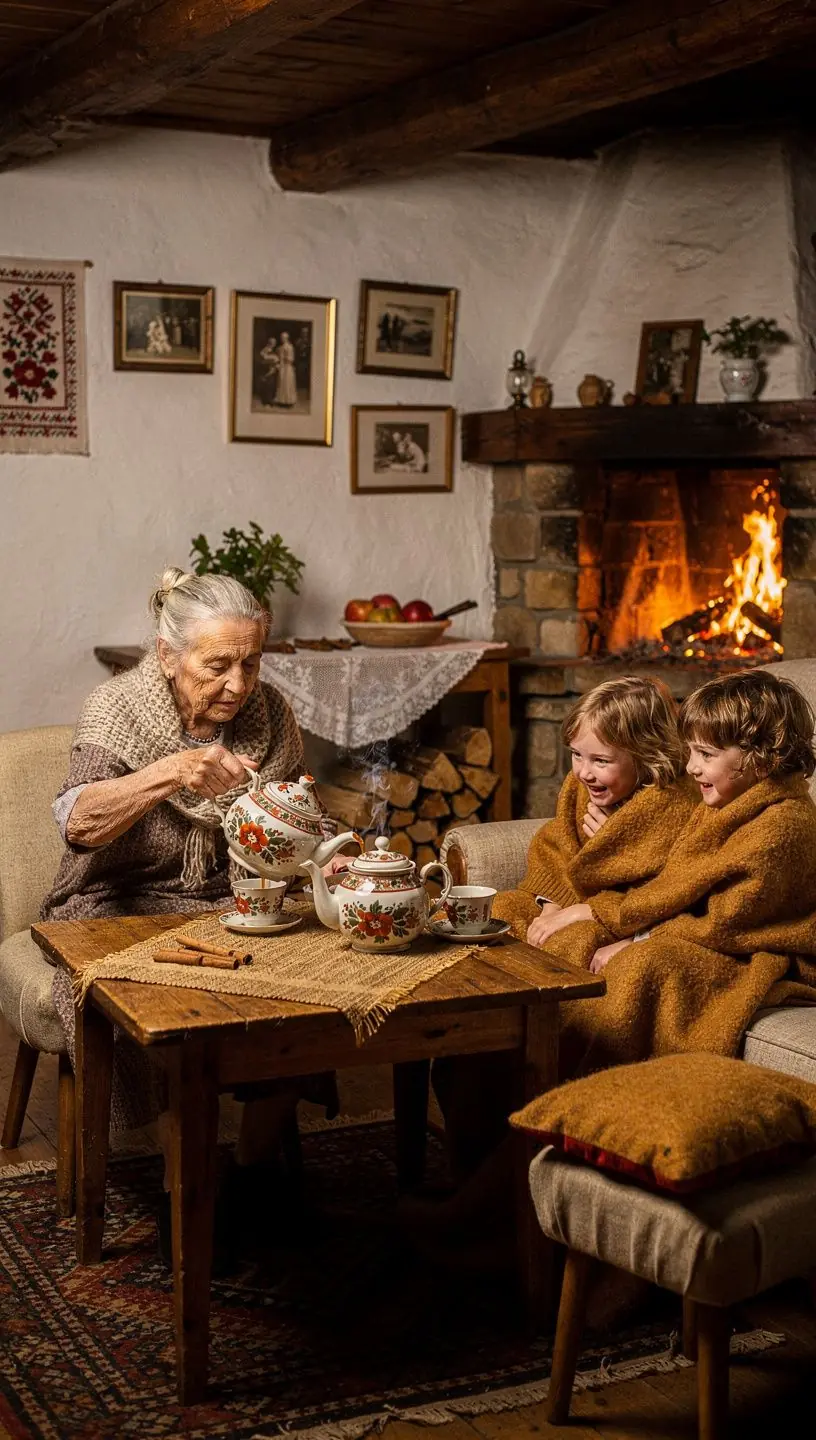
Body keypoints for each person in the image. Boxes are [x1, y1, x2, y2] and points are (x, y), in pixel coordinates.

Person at [44, 569, 348, 1259]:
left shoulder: (269, 714)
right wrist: (171, 771)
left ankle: (251, 1168)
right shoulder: (117, 708)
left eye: (251, 662)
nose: (238, 685)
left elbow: (298, 814)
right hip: (113, 903)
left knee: (313, 987)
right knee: (144, 1012)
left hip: (233, 898)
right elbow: (77, 822)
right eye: (218, 666)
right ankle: (180, 1178)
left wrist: (328, 854)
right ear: (166, 655)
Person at [438, 677, 696, 1185]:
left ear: (646, 754)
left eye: (602, 760)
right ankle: (476, 1052)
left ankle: (540, 1094)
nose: (584, 772)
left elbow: (670, 891)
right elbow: (555, 853)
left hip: (625, 925)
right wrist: (549, 901)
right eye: (577, 755)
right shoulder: (581, 791)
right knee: (502, 910)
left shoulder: (677, 806)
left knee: (573, 944)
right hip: (576, 906)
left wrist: (604, 862)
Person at [535, 670, 816, 1073]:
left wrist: (635, 938)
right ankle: (542, 1068)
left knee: (642, 965)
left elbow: (725, 923)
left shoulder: (782, 827)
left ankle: (596, 1084)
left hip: (764, 950)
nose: (691, 767)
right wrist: (621, 924)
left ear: (761, 757)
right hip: (710, 935)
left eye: (706, 755)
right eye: (691, 752)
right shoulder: (725, 803)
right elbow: (678, 884)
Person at [276, 331, 298, 407]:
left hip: (287, 367)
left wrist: (286, 357)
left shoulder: (290, 347)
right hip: (282, 367)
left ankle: (289, 401)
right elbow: (278, 357)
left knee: (288, 384)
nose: (282, 339)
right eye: (281, 337)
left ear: (287, 338)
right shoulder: (280, 347)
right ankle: (282, 401)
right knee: (281, 383)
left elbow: (291, 359)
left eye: (284, 337)